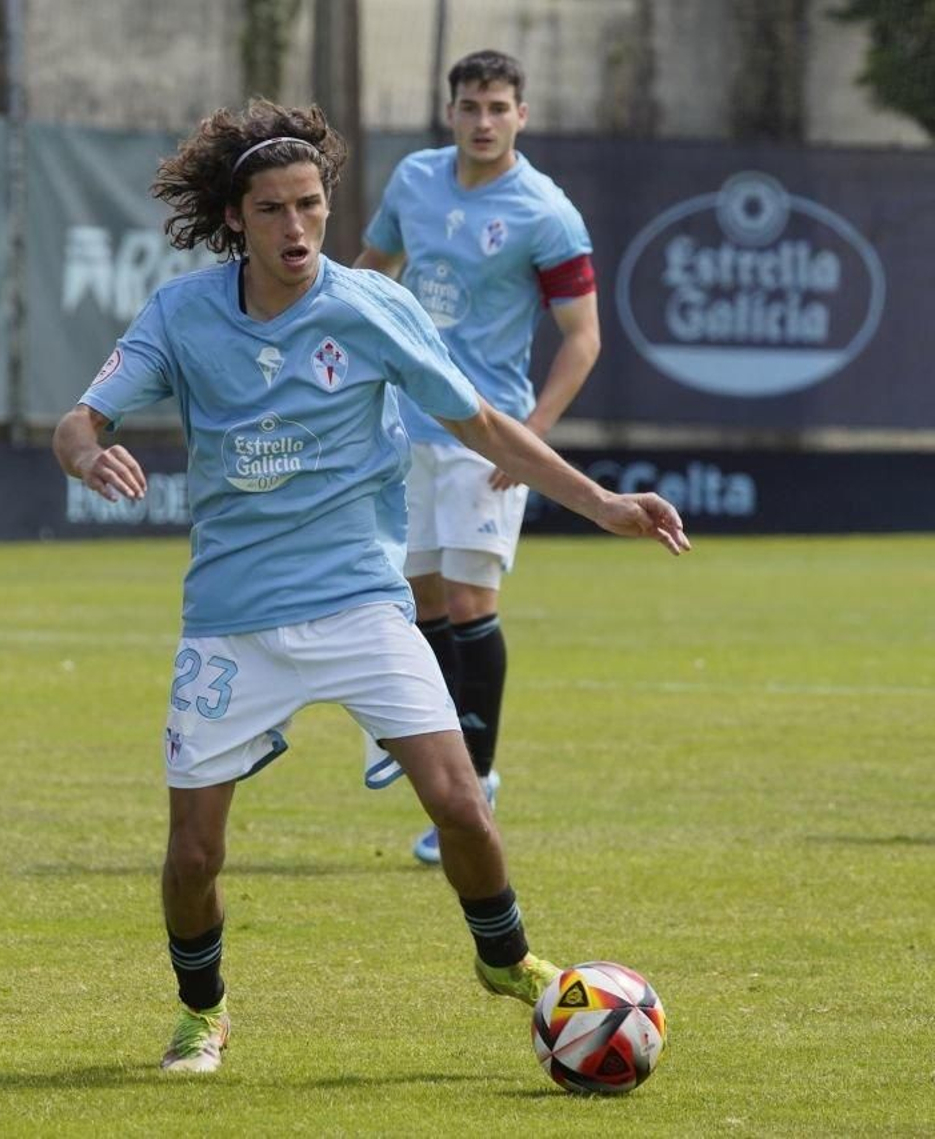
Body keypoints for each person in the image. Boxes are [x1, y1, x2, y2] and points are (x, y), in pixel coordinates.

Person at [52, 100, 687, 1075]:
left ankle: (506, 957)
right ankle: (201, 1009)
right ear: (235, 218)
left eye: (309, 205)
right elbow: (79, 420)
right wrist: (88, 454)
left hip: (359, 601)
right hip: (232, 617)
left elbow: (478, 421)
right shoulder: (182, 313)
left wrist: (599, 501)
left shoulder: (372, 307)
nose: (296, 227)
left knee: (461, 802)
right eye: (272, 210)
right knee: (192, 854)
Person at [354, 49, 601, 865]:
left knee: (467, 601)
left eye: (499, 107)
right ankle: (419, 738)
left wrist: (529, 434)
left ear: (521, 116)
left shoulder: (546, 212)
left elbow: (581, 338)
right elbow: (371, 275)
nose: (484, 121)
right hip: (404, 424)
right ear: (451, 111)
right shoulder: (414, 181)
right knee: (413, 597)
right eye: (470, 106)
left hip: (486, 434)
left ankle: (477, 776)